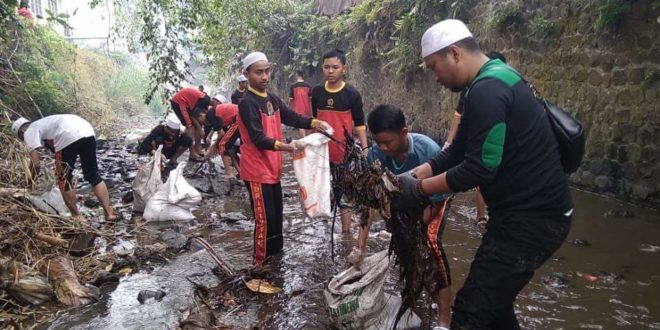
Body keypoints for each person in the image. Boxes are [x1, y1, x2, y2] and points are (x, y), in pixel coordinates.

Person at [394, 19, 573, 329]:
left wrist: (419, 189)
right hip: (524, 214)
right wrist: (413, 174)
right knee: (495, 306)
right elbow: (456, 151)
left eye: (434, 66)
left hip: (533, 220)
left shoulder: (488, 91)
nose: (435, 77)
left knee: (471, 312)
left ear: (454, 53)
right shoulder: (489, 81)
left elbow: (479, 168)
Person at [350, 104, 453, 328]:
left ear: (404, 133)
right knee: (406, 254)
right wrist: (360, 246)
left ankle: (445, 319)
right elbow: (369, 204)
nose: (383, 148)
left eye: (388, 142)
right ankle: (414, 304)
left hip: (434, 201)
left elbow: (438, 200)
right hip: (403, 202)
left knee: (431, 249)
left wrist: (416, 227)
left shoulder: (429, 151)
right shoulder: (376, 155)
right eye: (378, 142)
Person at [237, 51, 331, 266]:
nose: (264, 77)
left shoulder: (271, 99)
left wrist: (315, 123)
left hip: (273, 168)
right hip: (256, 170)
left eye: (267, 71)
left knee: (277, 217)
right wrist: (288, 147)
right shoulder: (247, 103)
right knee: (264, 220)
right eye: (258, 72)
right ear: (247, 74)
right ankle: (259, 264)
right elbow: (258, 138)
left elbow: (292, 117)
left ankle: (276, 261)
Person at [12, 115, 117, 221]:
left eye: (21, 138)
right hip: (87, 131)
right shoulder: (44, 124)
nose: (24, 141)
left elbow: (36, 164)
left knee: (63, 179)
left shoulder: (29, 131)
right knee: (93, 175)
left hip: (66, 135)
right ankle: (109, 213)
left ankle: (77, 217)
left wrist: (30, 183)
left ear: (21, 132)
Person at [445, 50, 507, 230]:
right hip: (481, 143)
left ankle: (493, 215)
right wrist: (449, 143)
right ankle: (481, 218)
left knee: (485, 174)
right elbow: (458, 115)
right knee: (482, 177)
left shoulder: (496, 89)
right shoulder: (472, 90)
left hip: (500, 145)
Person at [311, 48, 368, 234]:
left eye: (335, 67)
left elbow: (360, 124)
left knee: (346, 194)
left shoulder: (352, 94)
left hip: (345, 152)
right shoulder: (317, 92)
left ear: (344, 68)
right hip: (321, 153)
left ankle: (345, 233)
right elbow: (314, 121)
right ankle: (327, 223)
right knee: (325, 188)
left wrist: (365, 149)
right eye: (327, 67)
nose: (330, 71)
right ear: (322, 68)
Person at [205, 94, 241, 180]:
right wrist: (214, 146)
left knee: (223, 145)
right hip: (239, 119)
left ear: (202, 115)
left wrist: (213, 146)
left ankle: (229, 173)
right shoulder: (221, 115)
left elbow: (221, 134)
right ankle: (241, 172)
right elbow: (221, 132)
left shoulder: (210, 114)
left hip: (239, 119)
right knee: (228, 147)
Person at [170, 87, 211, 160]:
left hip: (188, 105)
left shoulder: (204, 103)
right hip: (179, 102)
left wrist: (200, 128)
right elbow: (193, 115)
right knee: (190, 127)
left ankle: (197, 148)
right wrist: (199, 129)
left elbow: (197, 117)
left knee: (198, 125)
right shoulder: (204, 100)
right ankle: (192, 152)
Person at [288, 70, 312, 137]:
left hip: (297, 109)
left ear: (296, 75)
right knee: (307, 124)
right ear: (303, 75)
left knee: (301, 125)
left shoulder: (293, 86)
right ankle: (307, 140)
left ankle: (304, 140)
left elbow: (290, 99)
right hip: (307, 109)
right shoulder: (308, 86)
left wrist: (288, 107)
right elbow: (310, 98)